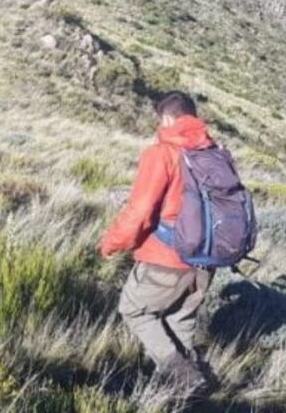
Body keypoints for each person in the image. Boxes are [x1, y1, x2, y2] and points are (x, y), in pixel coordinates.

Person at [99, 91, 215, 389]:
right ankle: (191, 394)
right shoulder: (213, 153)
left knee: (134, 310)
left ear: (166, 118)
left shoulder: (161, 153)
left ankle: (181, 374)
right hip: (206, 261)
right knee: (180, 321)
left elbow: (140, 210)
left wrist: (111, 243)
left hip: (167, 258)